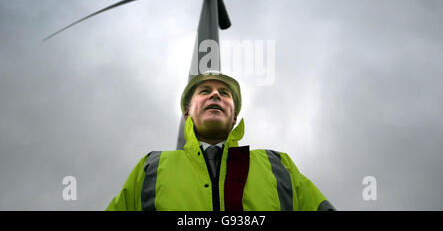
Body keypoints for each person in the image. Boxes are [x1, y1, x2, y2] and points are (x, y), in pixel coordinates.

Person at [106, 70, 335, 211]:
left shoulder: (277, 164)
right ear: (187, 112)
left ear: (234, 116)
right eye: (205, 91)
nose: (215, 95)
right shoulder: (151, 167)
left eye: (224, 94)